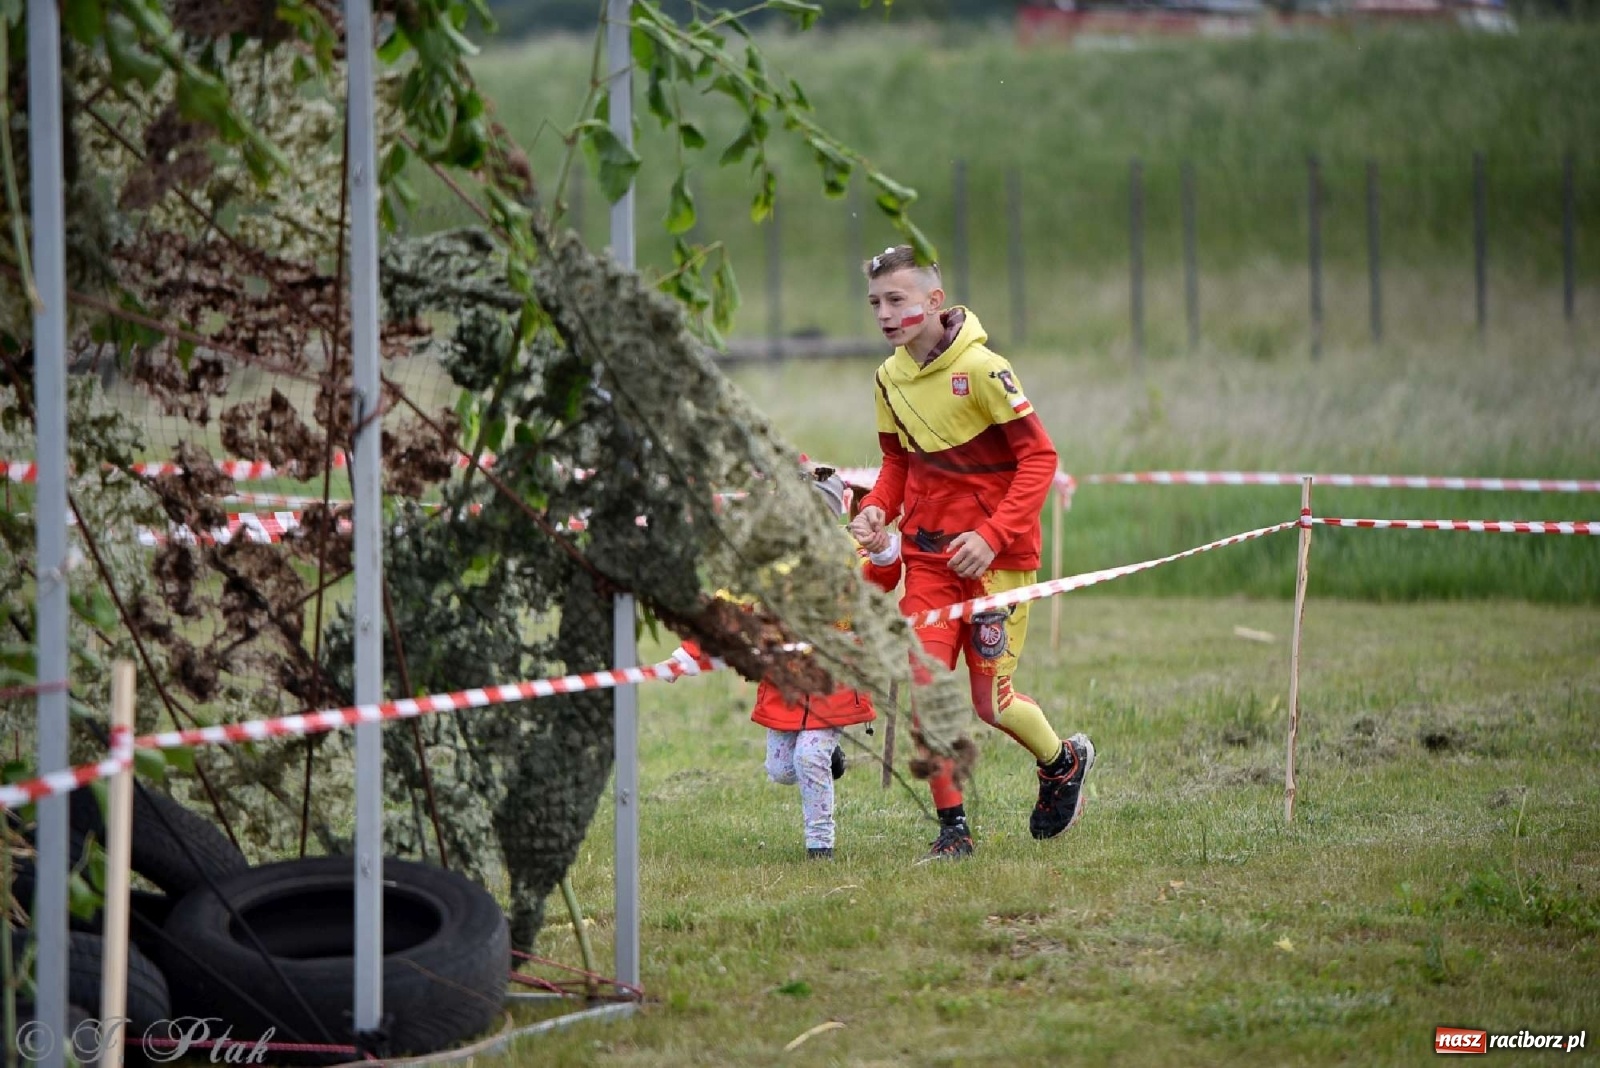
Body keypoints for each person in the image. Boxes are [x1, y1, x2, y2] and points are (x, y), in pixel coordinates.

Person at [848, 245, 1095, 862]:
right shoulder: (888, 378)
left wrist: (990, 536)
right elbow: (897, 464)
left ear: (935, 301)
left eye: (896, 299)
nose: (883, 313)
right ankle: (954, 830)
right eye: (875, 302)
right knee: (925, 692)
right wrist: (878, 509)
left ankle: (1062, 763)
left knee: (991, 704)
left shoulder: (984, 370)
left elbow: (1040, 459)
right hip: (929, 564)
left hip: (995, 564)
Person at [667, 466, 903, 860]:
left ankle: (820, 846)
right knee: (781, 769)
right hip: (785, 684)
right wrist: (687, 654)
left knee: (808, 757)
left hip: (835, 681)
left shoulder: (850, 556)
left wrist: (882, 551)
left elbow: (883, 579)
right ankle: (830, 758)